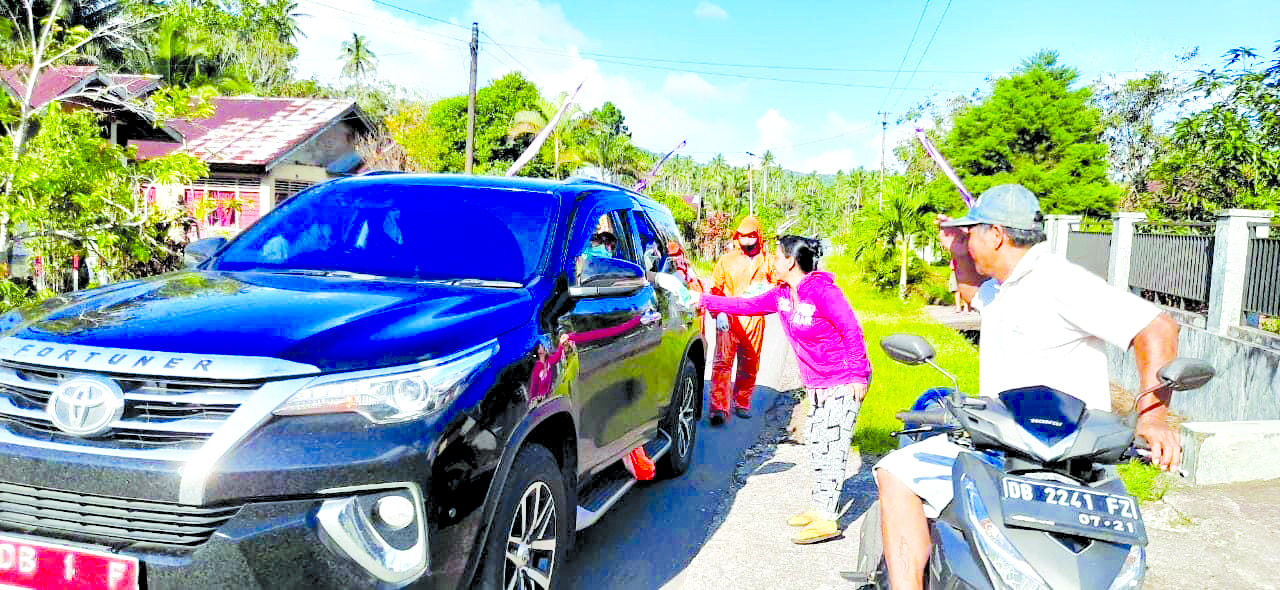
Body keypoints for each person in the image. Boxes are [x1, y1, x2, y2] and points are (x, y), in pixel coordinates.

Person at [873, 184, 1182, 590]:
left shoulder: (1057, 281)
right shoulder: (1007, 285)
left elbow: (1156, 327)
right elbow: (969, 292)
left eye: (974, 232)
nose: (970, 240)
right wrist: (957, 247)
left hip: (1068, 453)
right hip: (1007, 444)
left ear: (996, 234)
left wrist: (1153, 418)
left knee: (895, 470)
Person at [656, 236, 872, 544]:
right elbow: (746, 305)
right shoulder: (784, 294)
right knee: (817, 442)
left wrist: (858, 375)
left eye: (778, 256)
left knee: (833, 445)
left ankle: (827, 518)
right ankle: (821, 506)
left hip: (842, 379)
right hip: (818, 383)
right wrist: (703, 301)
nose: (772, 260)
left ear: (790, 262)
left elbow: (851, 330)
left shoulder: (823, 292)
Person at [708, 216, 777, 424]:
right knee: (722, 363)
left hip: (754, 319)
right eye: (743, 236)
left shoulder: (768, 261)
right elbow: (715, 289)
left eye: (750, 236)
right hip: (728, 317)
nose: (746, 240)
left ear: (758, 237)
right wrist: (718, 312)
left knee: (750, 363)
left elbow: (779, 285)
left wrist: (767, 291)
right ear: (737, 237)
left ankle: (742, 401)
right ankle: (718, 407)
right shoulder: (726, 261)